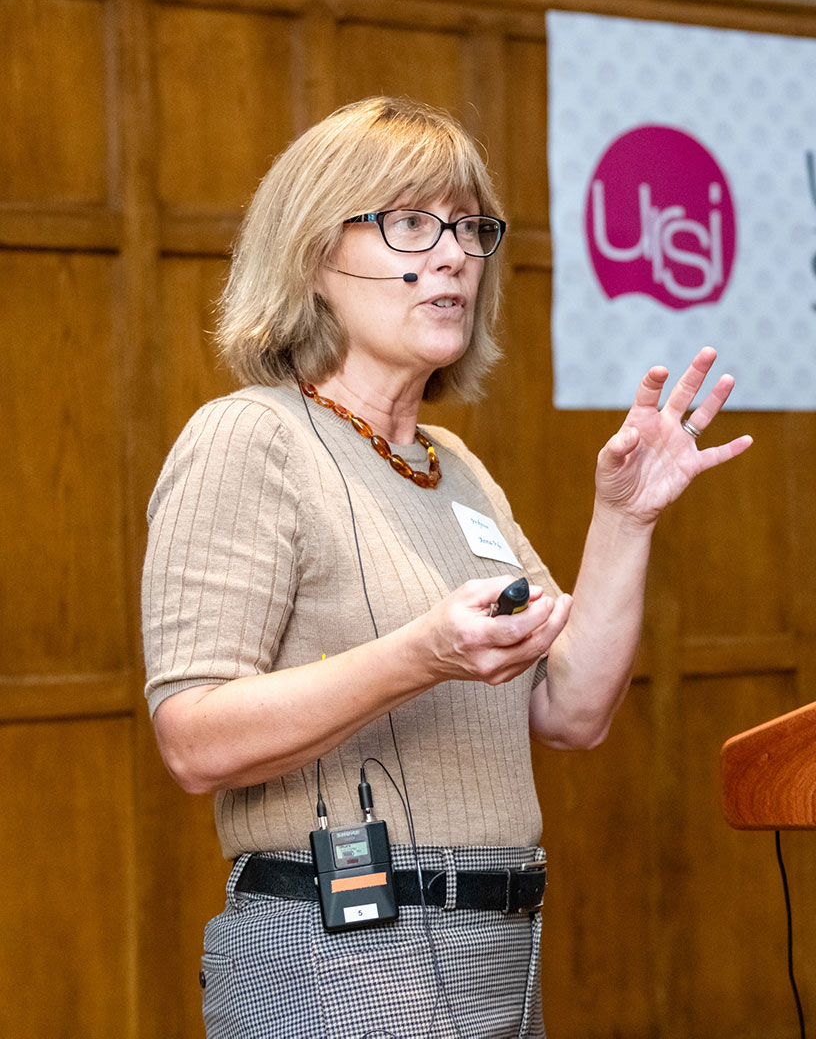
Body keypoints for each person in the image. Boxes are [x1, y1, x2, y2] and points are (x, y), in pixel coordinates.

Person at [141, 96, 751, 1038]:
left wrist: (623, 520)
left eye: (469, 228)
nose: (454, 255)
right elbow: (194, 740)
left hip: (498, 948)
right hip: (334, 950)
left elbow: (572, 710)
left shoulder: (453, 465)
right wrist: (420, 654)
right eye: (410, 223)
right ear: (314, 256)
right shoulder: (249, 437)